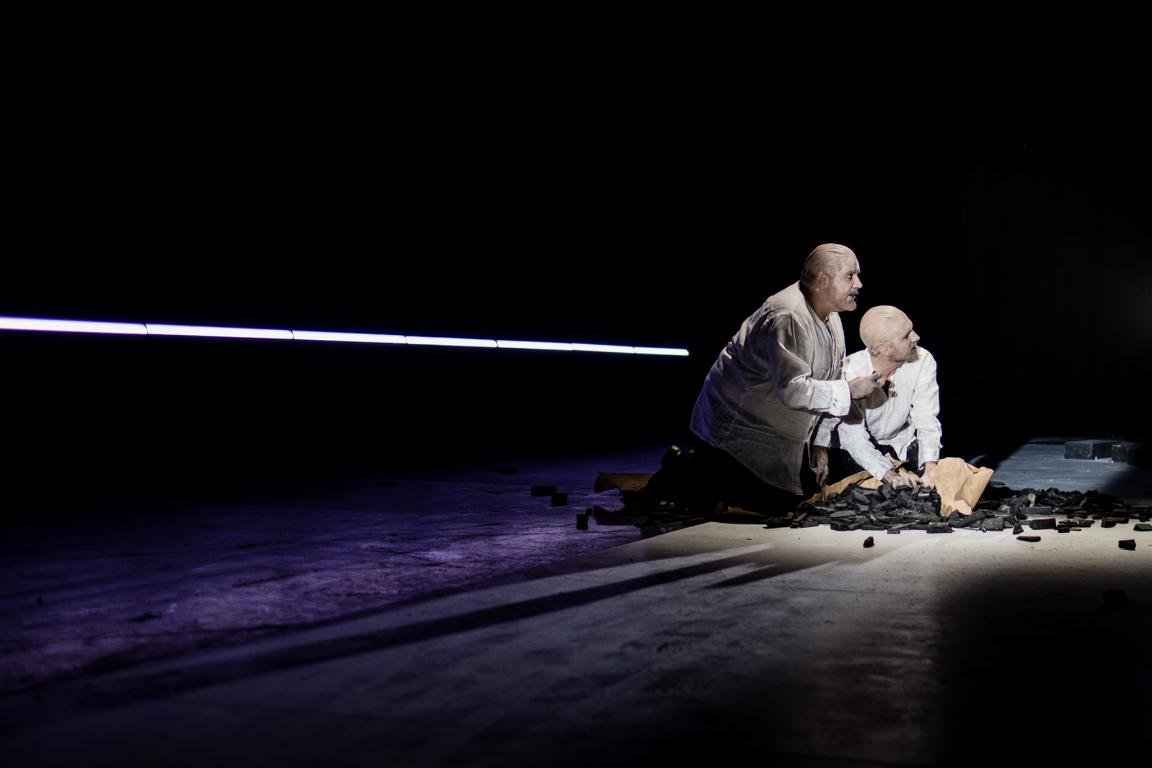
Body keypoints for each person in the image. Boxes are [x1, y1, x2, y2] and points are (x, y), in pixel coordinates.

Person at [679, 243, 882, 513]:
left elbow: (830, 379)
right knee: (765, 505)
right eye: (850, 276)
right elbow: (792, 390)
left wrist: (820, 442)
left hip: (777, 429)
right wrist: (849, 390)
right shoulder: (789, 315)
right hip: (738, 424)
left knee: (801, 498)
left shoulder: (829, 314)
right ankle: (687, 472)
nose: (858, 284)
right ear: (823, 280)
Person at [812, 304, 941, 490]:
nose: (916, 337)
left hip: (901, 442)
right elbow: (854, 439)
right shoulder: (849, 372)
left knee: (939, 478)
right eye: (906, 335)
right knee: (868, 489)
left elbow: (926, 416)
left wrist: (931, 467)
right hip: (860, 448)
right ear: (885, 349)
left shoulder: (922, 359)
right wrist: (890, 475)